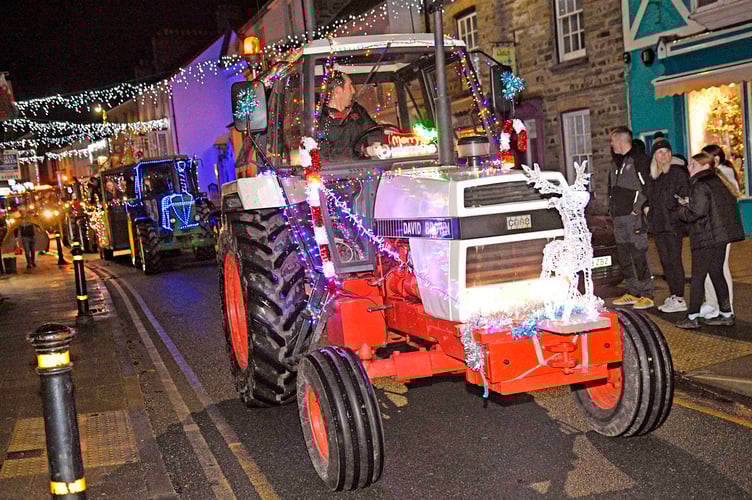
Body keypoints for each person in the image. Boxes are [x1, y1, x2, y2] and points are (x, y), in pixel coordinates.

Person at [676, 152, 744, 329]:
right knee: (716, 273)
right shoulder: (718, 181)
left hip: (706, 236)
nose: (689, 168)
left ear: (705, 166)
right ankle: (726, 313)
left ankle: (692, 316)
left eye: (693, 165)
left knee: (698, 277)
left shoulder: (700, 184)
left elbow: (696, 213)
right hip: (720, 236)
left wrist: (682, 209)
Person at [609, 126, 654, 309]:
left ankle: (646, 293)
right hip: (618, 218)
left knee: (638, 254)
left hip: (633, 218)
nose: (611, 145)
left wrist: (637, 208)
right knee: (624, 256)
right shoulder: (615, 164)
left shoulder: (639, 160)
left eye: (613, 141)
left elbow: (648, 186)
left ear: (621, 141)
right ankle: (633, 291)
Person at [698, 144, 741, 320]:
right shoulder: (715, 175)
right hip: (714, 229)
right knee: (710, 268)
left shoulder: (723, 174)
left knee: (720, 268)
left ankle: (725, 305)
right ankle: (712, 302)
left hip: (722, 229)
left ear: (714, 160)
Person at [647, 138, 689, 312]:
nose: (663, 156)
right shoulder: (653, 176)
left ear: (670, 154)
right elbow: (647, 196)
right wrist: (647, 209)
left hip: (673, 225)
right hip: (658, 225)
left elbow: (684, 196)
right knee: (665, 262)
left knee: (674, 260)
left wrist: (675, 210)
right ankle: (673, 294)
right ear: (655, 156)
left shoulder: (677, 173)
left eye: (666, 152)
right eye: (660, 152)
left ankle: (679, 297)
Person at [317, 70, 377, 160]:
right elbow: (321, 157)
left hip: (366, 167)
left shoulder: (357, 110)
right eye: (349, 87)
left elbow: (374, 132)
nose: (353, 91)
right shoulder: (320, 119)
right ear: (337, 91)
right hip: (339, 171)